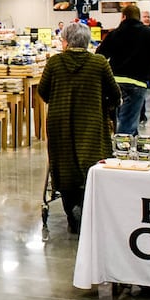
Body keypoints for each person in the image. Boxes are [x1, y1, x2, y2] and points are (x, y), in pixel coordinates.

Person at [38, 22, 119, 236]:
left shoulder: (55, 63)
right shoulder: (99, 62)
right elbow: (115, 94)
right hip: (91, 120)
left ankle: (72, 212)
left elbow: (43, 91)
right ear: (87, 41)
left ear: (65, 42)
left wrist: (59, 98)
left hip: (60, 121)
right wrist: (104, 106)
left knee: (64, 164)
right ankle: (89, 210)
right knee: (92, 162)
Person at [97, 4, 150, 135]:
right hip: (137, 83)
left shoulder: (114, 33)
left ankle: (128, 148)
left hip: (115, 83)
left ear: (123, 17)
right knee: (128, 123)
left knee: (125, 119)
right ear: (139, 18)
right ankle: (121, 151)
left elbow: (100, 56)